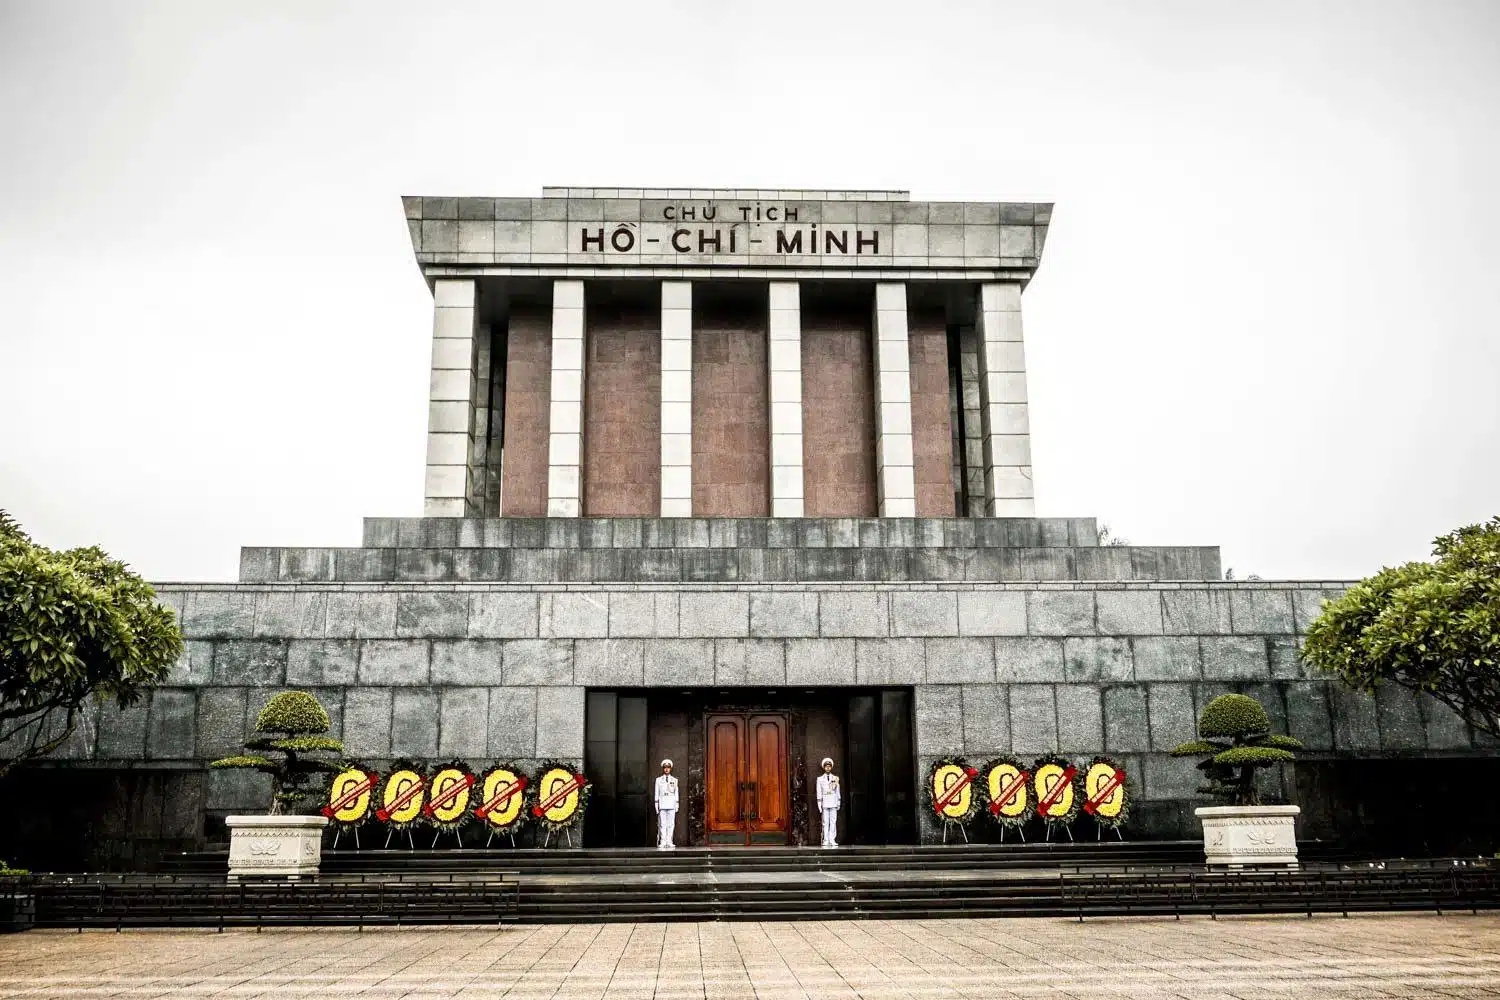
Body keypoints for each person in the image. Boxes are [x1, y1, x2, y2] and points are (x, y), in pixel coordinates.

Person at [815, 756, 840, 848]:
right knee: (825, 822)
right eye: (826, 766)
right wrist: (819, 803)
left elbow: (837, 791)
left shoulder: (836, 778)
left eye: (829, 766)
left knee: (833, 821)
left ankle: (832, 839)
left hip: (833, 801)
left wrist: (838, 802)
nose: (828, 768)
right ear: (824, 767)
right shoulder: (820, 779)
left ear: (831, 767)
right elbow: (819, 792)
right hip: (825, 802)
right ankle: (825, 839)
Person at [654, 758, 678, 850]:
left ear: (670, 768)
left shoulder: (674, 780)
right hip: (662, 802)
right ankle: (663, 841)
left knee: (671, 824)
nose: (666, 769)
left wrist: (677, 803)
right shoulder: (658, 780)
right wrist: (656, 804)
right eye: (665, 767)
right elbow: (657, 792)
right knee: (662, 824)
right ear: (663, 768)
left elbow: (676, 792)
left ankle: (669, 841)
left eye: (668, 767)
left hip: (671, 803)